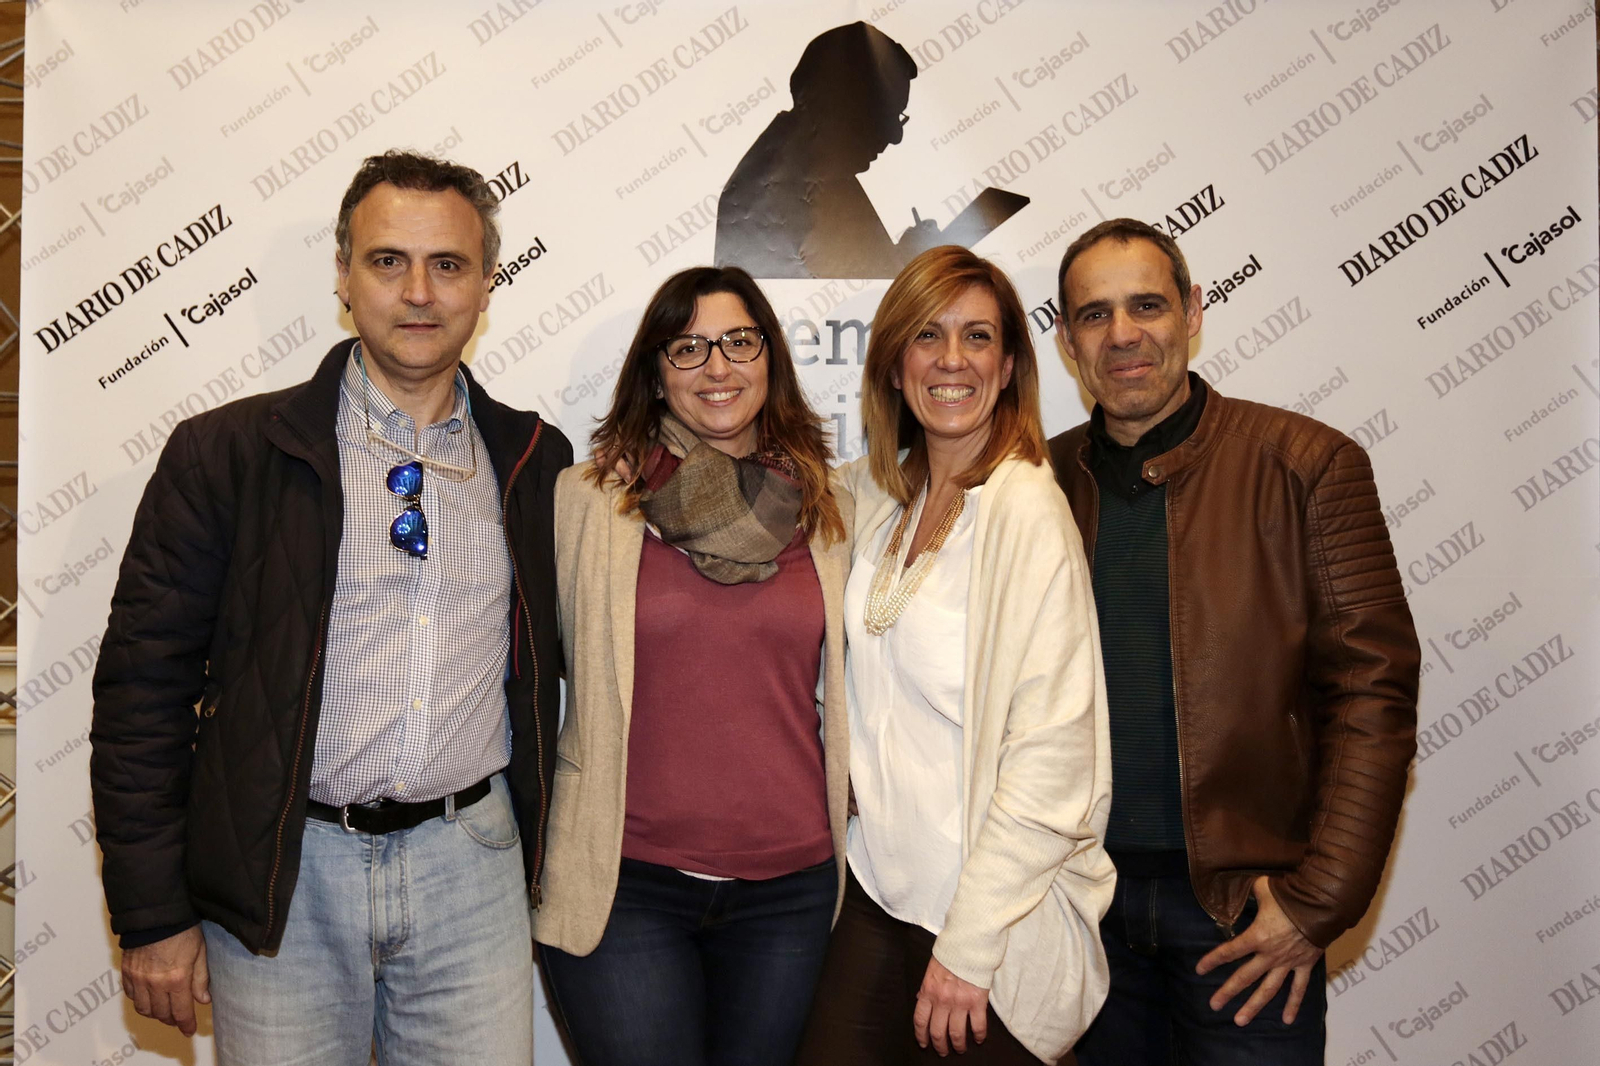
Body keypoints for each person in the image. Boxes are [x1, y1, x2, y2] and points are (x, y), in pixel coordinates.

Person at [89, 150, 571, 1064]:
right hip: (287, 873)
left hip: (472, 868)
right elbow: (140, 697)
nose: (418, 291)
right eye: (389, 261)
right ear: (345, 277)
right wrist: (152, 912)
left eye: (449, 264)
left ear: (485, 285)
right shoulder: (226, 455)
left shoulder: (535, 461)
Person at [1049, 218, 1420, 1065]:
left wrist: (1317, 901)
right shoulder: (1036, 484)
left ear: (1194, 310)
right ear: (1067, 341)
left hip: (1242, 918)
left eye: (1147, 304)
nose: (1125, 334)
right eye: (1095, 315)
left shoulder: (1307, 465)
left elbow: (1375, 693)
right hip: (1081, 910)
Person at [798, 245, 1114, 1065]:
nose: (951, 360)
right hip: (873, 894)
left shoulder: (1024, 512)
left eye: (977, 338)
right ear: (895, 365)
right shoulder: (879, 494)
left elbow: (1054, 764)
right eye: (928, 336)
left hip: (987, 929)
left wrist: (968, 953)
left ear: (1008, 366)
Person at [533, 266, 853, 1066]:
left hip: (789, 892)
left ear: (770, 357)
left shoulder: (834, 508)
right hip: (624, 884)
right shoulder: (586, 502)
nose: (719, 367)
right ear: (656, 371)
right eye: (689, 348)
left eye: (739, 342)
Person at [714, 22, 1023, 280]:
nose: (895, 135)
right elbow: (844, 301)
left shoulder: (796, 168)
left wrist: (905, 255)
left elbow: (850, 278)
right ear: (842, 104)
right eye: (887, 115)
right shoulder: (785, 187)